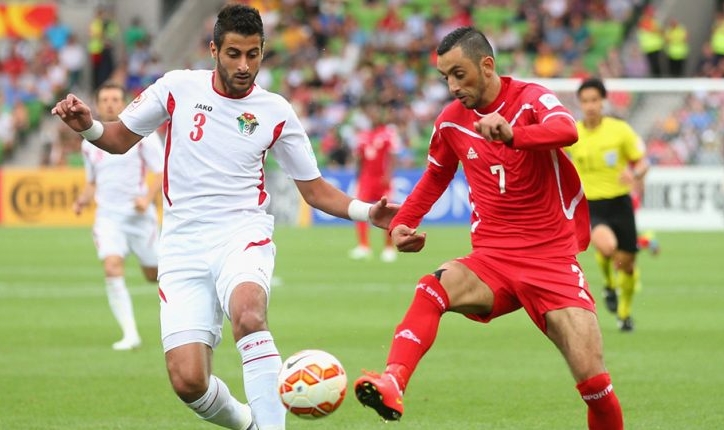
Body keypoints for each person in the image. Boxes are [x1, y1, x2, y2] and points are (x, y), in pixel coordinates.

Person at [52, 5, 397, 430]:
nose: (244, 65)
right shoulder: (177, 87)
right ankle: (250, 423)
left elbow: (315, 189)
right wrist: (88, 126)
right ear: (214, 49)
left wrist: (368, 212)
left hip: (242, 234)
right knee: (188, 381)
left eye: (253, 54)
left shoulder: (275, 111)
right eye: (234, 53)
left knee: (249, 314)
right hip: (181, 245)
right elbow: (120, 139)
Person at [354, 27, 624, 430]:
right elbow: (435, 176)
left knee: (595, 384)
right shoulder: (450, 122)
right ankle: (393, 380)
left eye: (459, 74)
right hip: (492, 259)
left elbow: (567, 130)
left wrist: (515, 134)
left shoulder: (531, 99)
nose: (452, 86)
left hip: (550, 258)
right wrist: (403, 223)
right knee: (432, 288)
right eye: (445, 77)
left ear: (487, 65)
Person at [73, 82, 164, 350]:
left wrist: (146, 199)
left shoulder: (141, 134)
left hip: (139, 219)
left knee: (153, 274)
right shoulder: (89, 142)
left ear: (123, 103)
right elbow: (92, 181)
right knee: (112, 267)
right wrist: (83, 199)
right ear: (98, 105)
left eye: (115, 99)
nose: (110, 103)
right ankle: (130, 333)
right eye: (105, 99)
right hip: (108, 218)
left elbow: (160, 172)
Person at [568, 77, 649, 332]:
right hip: (590, 205)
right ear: (580, 104)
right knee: (607, 246)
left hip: (620, 203)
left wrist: (635, 176)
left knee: (627, 264)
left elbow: (642, 162)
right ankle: (608, 283)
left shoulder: (620, 130)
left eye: (594, 100)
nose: (590, 106)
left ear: (603, 101)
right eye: (585, 101)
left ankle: (624, 313)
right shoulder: (573, 133)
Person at [349, 102, 400, 263]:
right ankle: (364, 246)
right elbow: (359, 159)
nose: (373, 116)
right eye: (370, 113)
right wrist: (358, 176)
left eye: (376, 113)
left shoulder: (388, 133)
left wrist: (389, 175)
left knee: (387, 212)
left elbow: (392, 156)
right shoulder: (363, 136)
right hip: (366, 179)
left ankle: (389, 247)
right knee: (360, 211)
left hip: (382, 179)